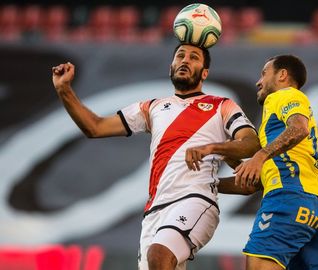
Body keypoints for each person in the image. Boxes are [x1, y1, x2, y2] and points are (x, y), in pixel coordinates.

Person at [51, 44, 260, 270]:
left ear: (205, 72)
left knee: (159, 254)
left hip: (196, 199)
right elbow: (95, 127)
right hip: (155, 212)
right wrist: (65, 90)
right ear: (171, 66)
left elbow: (250, 143)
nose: (185, 60)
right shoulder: (152, 108)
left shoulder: (222, 105)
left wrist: (212, 148)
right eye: (180, 56)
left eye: (194, 57)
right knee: (158, 259)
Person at [219, 54, 318, 270]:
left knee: (259, 265)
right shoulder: (276, 137)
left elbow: (298, 128)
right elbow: (256, 183)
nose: (258, 81)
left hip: (289, 198)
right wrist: (211, 183)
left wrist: (259, 156)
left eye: (264, 73)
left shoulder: (285, 95)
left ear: (282, 75)